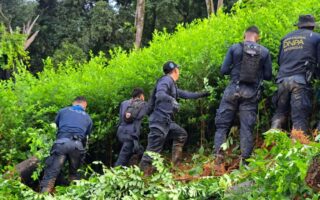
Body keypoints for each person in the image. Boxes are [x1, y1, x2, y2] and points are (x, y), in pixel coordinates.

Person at [214, 26, 272, 166]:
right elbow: (269, 76)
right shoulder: (264, 52)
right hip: (251, 94)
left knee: (222, 126)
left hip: (233, 90)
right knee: (246, 127)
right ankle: (245, 163)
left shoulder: (235, 48)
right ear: (258, 36)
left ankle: (218, 160)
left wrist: (235, 70)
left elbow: (223, 70)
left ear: (244, 35)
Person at [139, 61, 210, 174]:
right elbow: (160, 94)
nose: (179, 72)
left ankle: (176, 166)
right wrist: (172, 100)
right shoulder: (166, 80)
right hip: (159, 121)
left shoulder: (172, 84)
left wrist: (203, 94)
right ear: (176, 70)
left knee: (181, 134)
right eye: (178, 70)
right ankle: (142, 177)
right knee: (152, 152)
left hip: (166, 122)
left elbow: (186, 94)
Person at [271, 15, 320, 135]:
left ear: (299, 25)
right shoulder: (316, 38)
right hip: (300, 82)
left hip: (282, 81)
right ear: (312, 26)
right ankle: (297, 148)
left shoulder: (286, 38)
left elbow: (280, 61)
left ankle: (271, 140)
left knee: (280, 113)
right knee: (299, 117)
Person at [40, 96, 93, 193]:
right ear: (84, 106)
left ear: (73, 103)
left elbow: (57, 126)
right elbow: (86, 137)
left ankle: (43, 195)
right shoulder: (88, 118)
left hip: (62, 144)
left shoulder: (63, 111)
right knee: (74, 175)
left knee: (51, 174)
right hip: (77, 147)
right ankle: (74, 195)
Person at [114, 88, 149, 167]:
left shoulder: (124, 103)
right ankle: (114, 175)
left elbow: (120, 118)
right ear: (141, 96)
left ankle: (134, 169)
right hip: (131, 134)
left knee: (139, 150)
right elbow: (143, 116)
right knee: (122, 159)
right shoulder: (143, 104)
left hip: (120, 132)